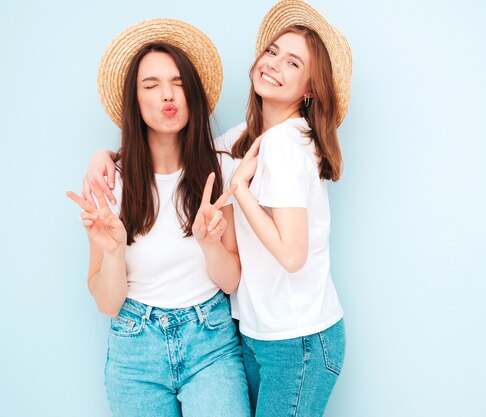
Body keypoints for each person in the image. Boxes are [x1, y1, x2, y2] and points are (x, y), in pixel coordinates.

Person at [82, 2, 352, 416]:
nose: (167, 95)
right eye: (273, 51)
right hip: (250, 334)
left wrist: (236, 197)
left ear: (311, 88)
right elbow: (165, 155)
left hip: (284, 337)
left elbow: (288, 257)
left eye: (293, 62)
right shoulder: (241, 142)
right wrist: (108, 155)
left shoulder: (268, 150)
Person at [67, 18, 250, 417]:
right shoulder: (109, 182)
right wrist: (114, 253)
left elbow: (232, 279)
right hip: (135, 352)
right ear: (135, 100)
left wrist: (209, 243)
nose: (167, 95)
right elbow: (106, 302)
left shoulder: (218, 170)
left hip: (211, 344)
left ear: (193, 95)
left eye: (178, 83)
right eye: (151, 85)